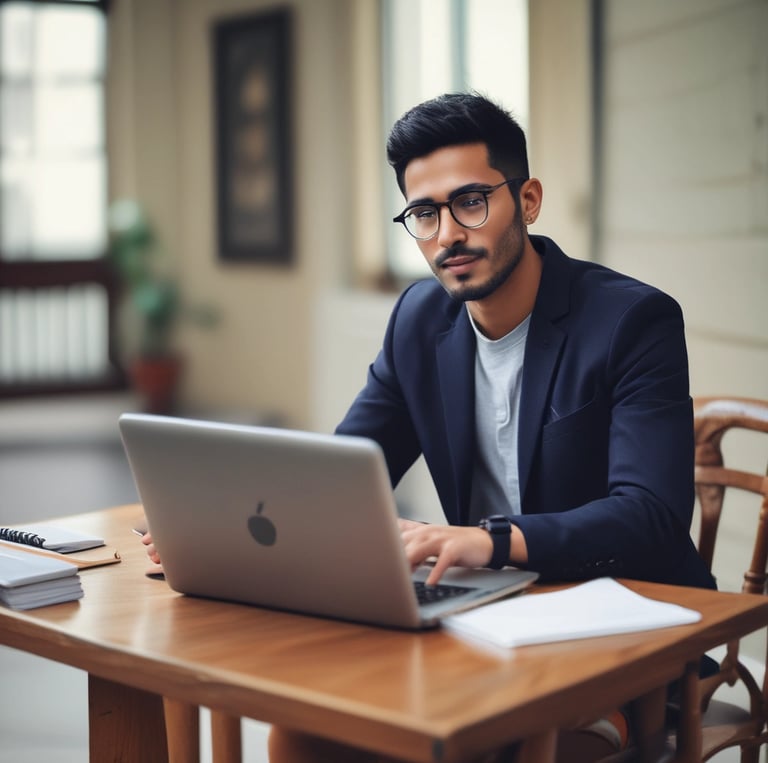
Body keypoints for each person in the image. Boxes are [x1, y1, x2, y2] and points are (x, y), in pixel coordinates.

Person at [143, 92, 715, 762]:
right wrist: (216, 522)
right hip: (483, 618)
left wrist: (489, 541)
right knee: (303, 735)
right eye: (423, 212)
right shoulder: (420, 319)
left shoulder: (632, 322)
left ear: (527, 200)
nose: (447, 233)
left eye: (470, 200)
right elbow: (338, 472)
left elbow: (649, 515)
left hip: (620, 625)